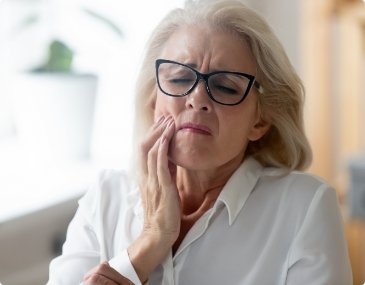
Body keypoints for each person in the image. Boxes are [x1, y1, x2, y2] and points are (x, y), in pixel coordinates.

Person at [47, 0, 353, 284]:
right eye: (179, 78)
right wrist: (150, 242)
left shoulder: (304, 207)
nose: (197, 99)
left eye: (225, 87)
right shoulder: (106, 197)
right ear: (154, 100)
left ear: (260, 121)